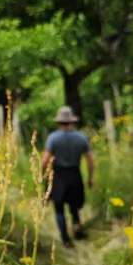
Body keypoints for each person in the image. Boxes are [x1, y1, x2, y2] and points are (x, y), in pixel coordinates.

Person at [41, 106, 95, 248]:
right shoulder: (81, 137)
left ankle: (65, 239)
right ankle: (77, 228)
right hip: (74, 173)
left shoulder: (53, 138)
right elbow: (90, 159)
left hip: (58, 175)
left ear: (59, 122)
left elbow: (45, 160)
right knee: (74, 204)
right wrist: (90, 177)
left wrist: (43, 176)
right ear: (72, 121)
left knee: (59, 208)